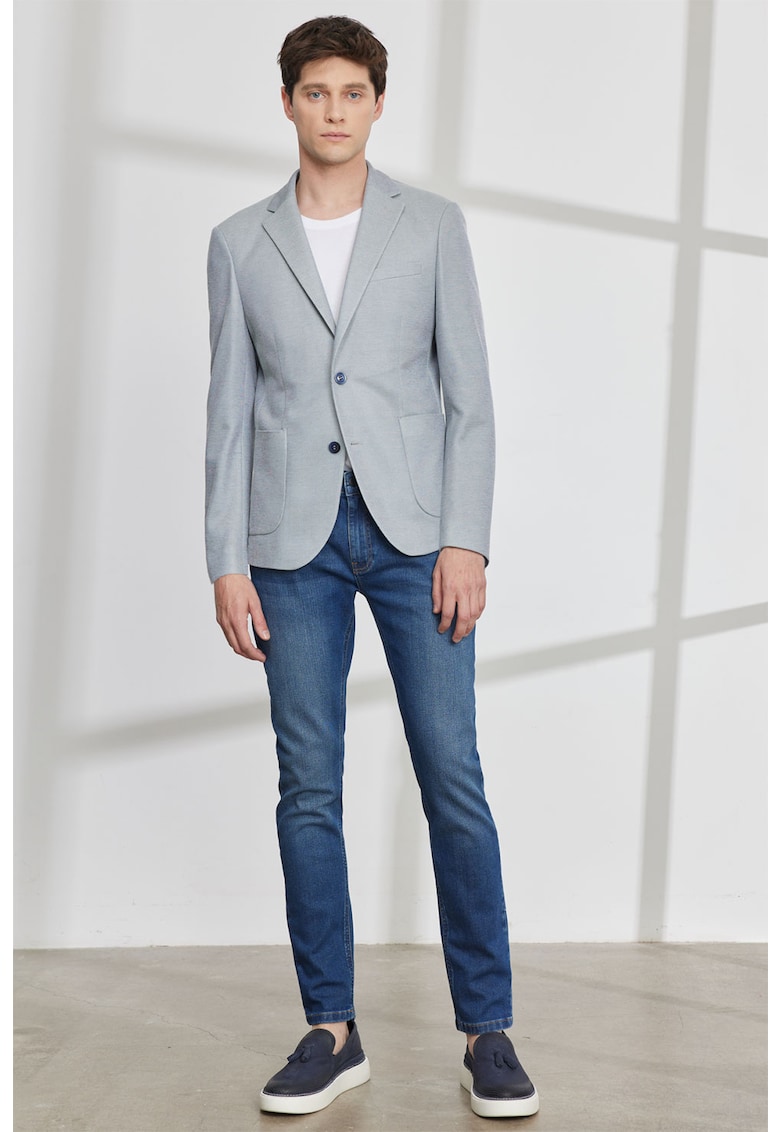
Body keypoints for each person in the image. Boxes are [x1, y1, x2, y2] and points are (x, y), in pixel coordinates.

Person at [205, 14, 539, 1119]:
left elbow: (470, 397)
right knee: (309, 786)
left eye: (354, 92)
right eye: (317, 92)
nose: (335, 109)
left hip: (415, 540)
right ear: (288, 103)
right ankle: (331, 1029)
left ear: (378, 104)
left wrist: (466, 538)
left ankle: (487, 1030)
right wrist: (224, 560)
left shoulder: (431, 226)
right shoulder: (240, 243)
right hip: (287, 547)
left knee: (452, 775)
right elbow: (229, 416)